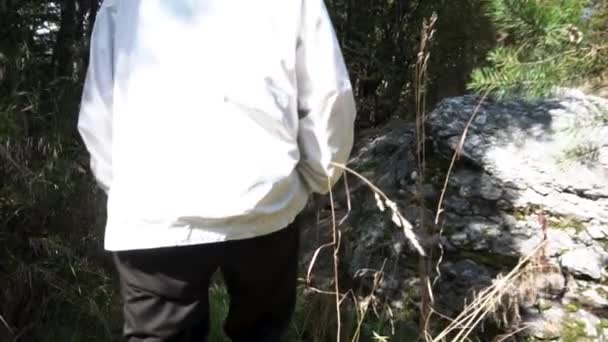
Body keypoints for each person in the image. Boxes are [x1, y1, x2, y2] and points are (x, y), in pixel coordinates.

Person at [77, 0, 356, 341]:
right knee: (261, 333)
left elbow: (98, 113)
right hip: (265, 202)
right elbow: (330, 94)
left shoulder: (122, 4)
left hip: (153, 206)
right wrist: (319, 177)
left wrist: (123, 187)